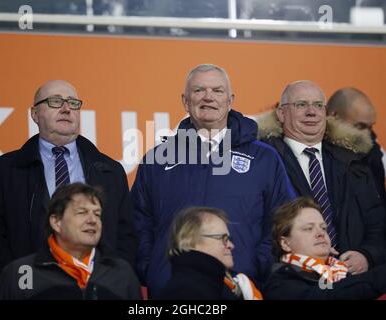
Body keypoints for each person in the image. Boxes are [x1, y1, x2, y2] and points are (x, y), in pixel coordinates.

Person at [131, 64, 295, 298]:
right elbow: (138, 223)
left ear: (230, 100)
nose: (208, 97)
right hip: (171, 289)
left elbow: (282, 221)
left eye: (217, 91)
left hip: (240, 287)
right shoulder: (157, 160)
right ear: (185, 101)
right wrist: (152, 267)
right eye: (199, 90)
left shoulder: (264, 158)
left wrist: (256, 266)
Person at [0, 80, 136, 283]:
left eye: (73, 103)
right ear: (34, 114)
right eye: (55, 102)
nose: (67, 109)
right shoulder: (5, 170)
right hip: (28, 289)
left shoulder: (110, 171)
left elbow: (127, 236)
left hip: (97, 289)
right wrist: (17, 281)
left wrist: (112, 281)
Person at [256, 80, 386, 275]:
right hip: (293, 281)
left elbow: (378, 224)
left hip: (354, 282)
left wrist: (367, 255)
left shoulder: (355, 162)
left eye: (318, 105)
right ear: (281, 113)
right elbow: (257, 227)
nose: (311, 112)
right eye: (301, 105)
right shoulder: (263, 161)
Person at [0, 183, 141, 300]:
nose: (92, 220)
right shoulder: (20, 274)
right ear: (56, 222)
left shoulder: (122, 274)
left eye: (97, 214)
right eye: (82, 213)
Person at [264, 197, 386, 300]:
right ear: (285, 243)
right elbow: (328, 295)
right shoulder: (281, 284)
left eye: (323, 228)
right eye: (308, 228)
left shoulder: (341, 272)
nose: (320, 233)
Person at [160, 206, 262, 300]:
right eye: (224, 238)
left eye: (230, 239)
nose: (231, 245)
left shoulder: (213, 283)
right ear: (191, 241)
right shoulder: (186, 291)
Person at [327, 87, 386, 205]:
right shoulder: (315, 152)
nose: (367, 135)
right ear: (334, 117)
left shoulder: (375, 147)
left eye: (370, 127)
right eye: (360, 127)